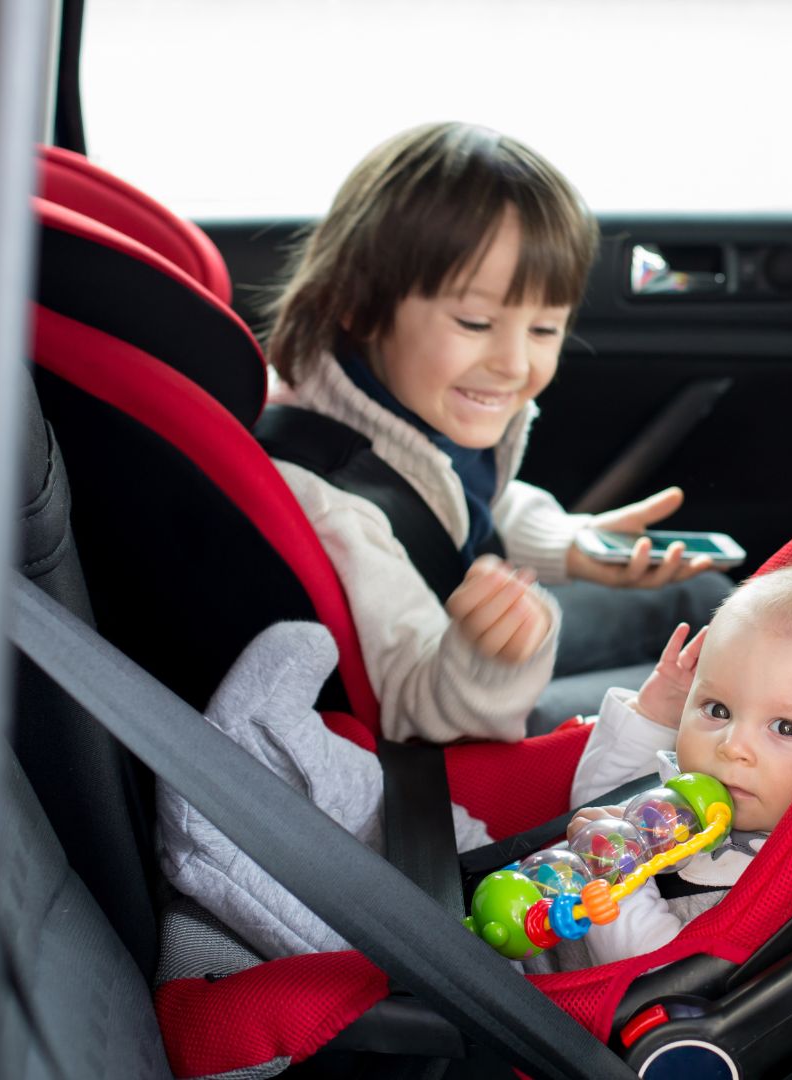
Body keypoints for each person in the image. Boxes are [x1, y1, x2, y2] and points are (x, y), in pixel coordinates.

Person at [265, 120, 728, 744]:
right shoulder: (336, 504)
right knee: (731, 699)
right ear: (359, 302)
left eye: (544, 330)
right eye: (476, 321)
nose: (515, 364)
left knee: (704, 600)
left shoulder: (401, 403)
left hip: (475, 642)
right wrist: (489, 661)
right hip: (464, 715)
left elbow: (460, 496)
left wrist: (567, 544)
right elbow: (413, 710)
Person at [563, 561, 792, 967]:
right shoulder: (685, 789)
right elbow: (590, 807)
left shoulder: (779, 882)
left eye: (785, 727)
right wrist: (650, 717)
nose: (732, 746)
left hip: (528, 999)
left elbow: (659, 971)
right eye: (716, 709)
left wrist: (614, 872)